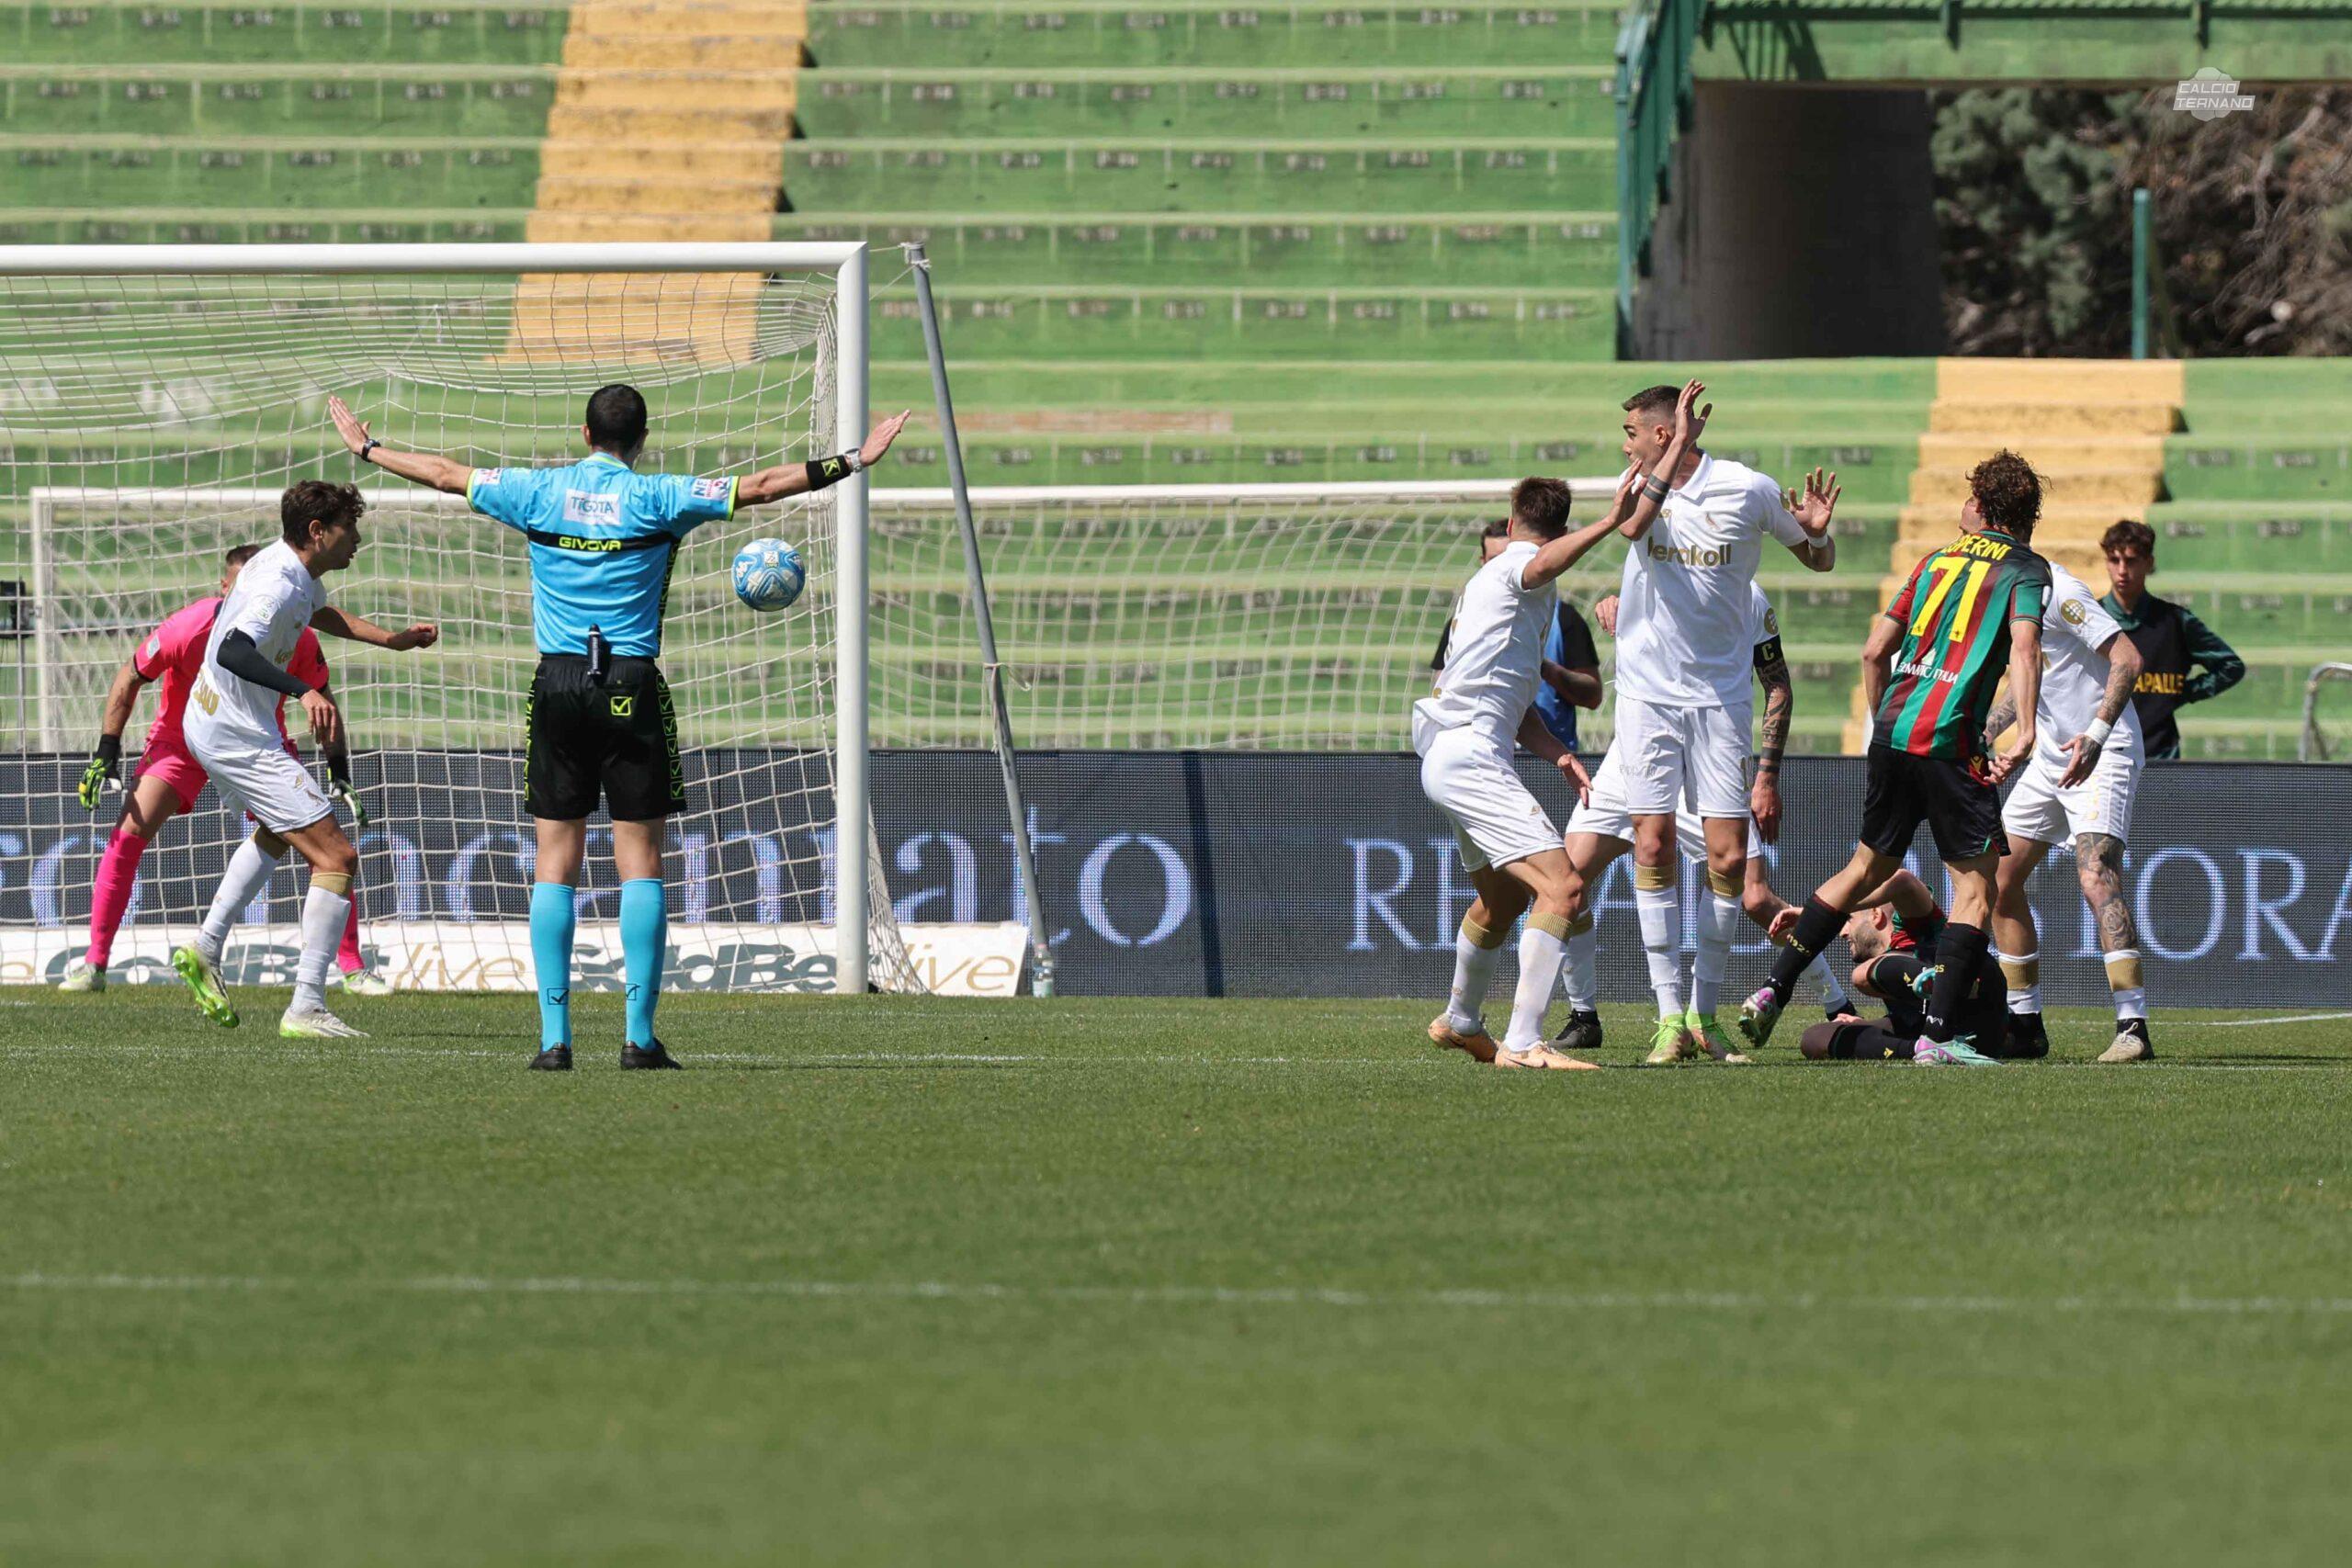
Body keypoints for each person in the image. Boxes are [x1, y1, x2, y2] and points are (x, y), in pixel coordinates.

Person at [328, 385, 912, 1069]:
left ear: (584, 434)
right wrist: (854, 459)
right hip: (631, 682)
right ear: (642, 440)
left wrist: (369, 449)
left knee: (554, 861)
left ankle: (554, 1041)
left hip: (558, 684)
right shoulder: (661, 496)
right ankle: (638, 1037)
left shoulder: (536, 491)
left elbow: (444, 473)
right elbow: (760, 487)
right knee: (642, 859)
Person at [1738, 451, 2058, 1066]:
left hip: (1893, 730)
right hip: (1950, 740)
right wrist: (2025, 729)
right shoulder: (2025, 568)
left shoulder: (1935, 560)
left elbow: (1873, 650)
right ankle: (1937, 1037)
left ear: (1981, 503)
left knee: (1863, 868)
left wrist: (1886, 723)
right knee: (1976, 890)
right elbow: (2025, 646)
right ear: (2028, 514)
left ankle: (1774, 987)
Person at [1419, 400, 1697, 1071]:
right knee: (1565, 889)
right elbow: (1539, 565)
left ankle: (1460, 1019)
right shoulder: (1512, 569)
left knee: (1504, 898)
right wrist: (1610, 518)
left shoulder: (1514, 598)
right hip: (1468, 755)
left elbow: (1515, 708)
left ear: (1514, 515)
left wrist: (1561, 754)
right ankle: (1523, 1042)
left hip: (1456, 751)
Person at [1601, 381, 1838, 1066]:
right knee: (1651, 846)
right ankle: (1667, 1017)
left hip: (1721, 699)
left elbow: (1817, 559)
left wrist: (1818, 533)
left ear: (1661, 432)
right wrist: (1673, 449)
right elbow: (1632, 530)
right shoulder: (1638, 491)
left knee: (1730, 860)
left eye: (1631, 433)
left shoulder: (1747, 488)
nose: (1624, 446)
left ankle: (1705, 1014)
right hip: (1647, 695)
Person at [170, 482, 439, 1039]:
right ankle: (306, 1005)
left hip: (217, 721)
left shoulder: (292, 568)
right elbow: (233, 649)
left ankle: (206, 947)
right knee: (337, 855)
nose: (357, 539)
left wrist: (391, 640)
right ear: (318, 532)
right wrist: (303, 690)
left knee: (278, 829)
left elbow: (321, 613)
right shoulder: (275, 581)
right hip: (236, 735)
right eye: (349, 528)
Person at [62, 545, 390, 997]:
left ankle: (351, 967)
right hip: (181, 742)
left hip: (257, 742)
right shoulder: (189, 626)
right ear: (225, 588)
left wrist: (339, 769)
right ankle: (94, 963)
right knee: (129, 832)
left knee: (324, 845)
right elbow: (131, 674)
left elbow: (324, 698)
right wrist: (107, 750)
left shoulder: (294, 633)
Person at [1548, 581, 1849, 1062]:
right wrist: (1614, 602)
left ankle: (1836, 1004)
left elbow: (1777, 683)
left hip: (1707, 759)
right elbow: (1634, 581)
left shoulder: (1744, 592)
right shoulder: (1654, 574)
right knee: (1566, 880)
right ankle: (1585, 1017)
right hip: (1636, 759)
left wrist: (1766, 777)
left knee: (1754, 895)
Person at [1984, 557, 2154, 1064]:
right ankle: (2024, 1026)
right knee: (1998, 879)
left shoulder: (2058, 589)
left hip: (2103, 751)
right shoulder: (2004, 591)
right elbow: (2031, 674)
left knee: (2096, 875)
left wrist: (2096, 735)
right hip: (2050, 758)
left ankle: (2133, 1027)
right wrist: (1985, 733)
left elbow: (2128, 659)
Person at [1796, 881, 2022, 1064]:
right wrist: (1862, 1024)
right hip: (1936, 1033)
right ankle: (1922, 1049)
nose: (1842, 932)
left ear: (1875, 914)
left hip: (1979, 1005)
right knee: (1814, 1038)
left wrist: (1832, 911)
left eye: (1848, 919)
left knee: (1861, 975)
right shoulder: (1882, 971)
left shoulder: (1911, 928)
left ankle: (1945, 982)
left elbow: (1904, 881)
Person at [1432, 520, 1604, 750]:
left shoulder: (1564, 618)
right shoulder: (1463, 619)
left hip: (1549, 759)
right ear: (1483, 562)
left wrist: (1542, 667)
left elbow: (1593, 697)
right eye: (1495, 560)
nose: (1506, 567)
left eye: (1510, 558)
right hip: (1485, 748)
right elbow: (1441, 690)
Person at [2098, 519, 2243, 760]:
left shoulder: (2175, 621)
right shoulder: (2092, 619)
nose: (2122, 570)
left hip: (2161, 756)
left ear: (2149, 563)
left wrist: (2183, 693)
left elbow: (2230, 666)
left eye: (2131, 561)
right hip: (2104, 756)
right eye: (2114, 560)